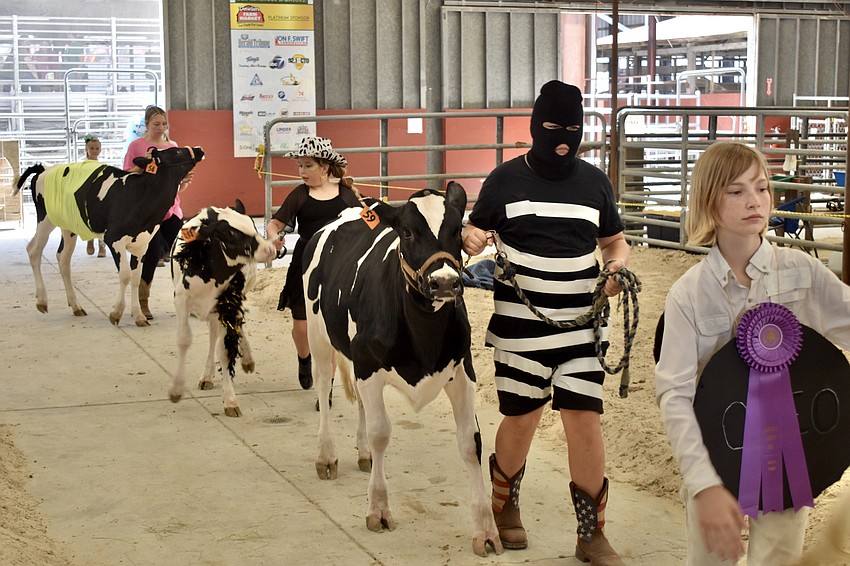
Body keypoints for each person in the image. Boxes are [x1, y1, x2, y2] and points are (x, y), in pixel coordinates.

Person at [655, 140, 850, 565]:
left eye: (761, 188)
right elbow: (673, 395)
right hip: (717, 458)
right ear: (709, 199)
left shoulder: (802, 271)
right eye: (736, 191)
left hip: (789, 457)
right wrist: (703, 484)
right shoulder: (688, 295)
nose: (754, 201)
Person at [462, 80, 629, 565]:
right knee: (522, 419)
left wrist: (616, 268)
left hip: (581, 324)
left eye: (573, 129)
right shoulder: (503, 180)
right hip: (520, 324)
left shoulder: (595, 183)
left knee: (585, 422)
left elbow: (613, 241)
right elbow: (477, 229)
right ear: (535, 126)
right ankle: (504, 500)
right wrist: (472, 238)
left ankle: (590, 532)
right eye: (553, 127)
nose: (563, 138)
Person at [266, 137, 360, 392]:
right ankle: (304, 360)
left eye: (307, 166)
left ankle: (326, 387)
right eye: (300, 166)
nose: (302, 172)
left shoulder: (347, 195)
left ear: (325, 167)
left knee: (328, 329)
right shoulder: (300, 194)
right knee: (301, 327)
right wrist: (273, 238)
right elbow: (275, 223)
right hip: (305, 263)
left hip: (338, 266)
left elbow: (370, 222)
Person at [122, 105, 191, 320]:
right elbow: (126, 177)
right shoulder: (136, 146)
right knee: (150, 255)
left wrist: (184, 181)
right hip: (147, 212)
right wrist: (141, 168)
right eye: (156, 124)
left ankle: (188, 299)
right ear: (146, 124)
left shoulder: (173, 146)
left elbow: (179, 186)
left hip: (172, 210)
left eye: (164, 124)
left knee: (185, 251)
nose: (161, 128)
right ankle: (143, 301)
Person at [83, 134, 107, 257]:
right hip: (87, 196)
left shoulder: (102, 166)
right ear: (86, 149)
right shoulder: (82, 166)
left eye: (97, 148)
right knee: (88, 218)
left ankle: (102, 246)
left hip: (99, 197)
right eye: (92, 148)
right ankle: (89, 240)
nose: (94, 151)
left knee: (101, 220)